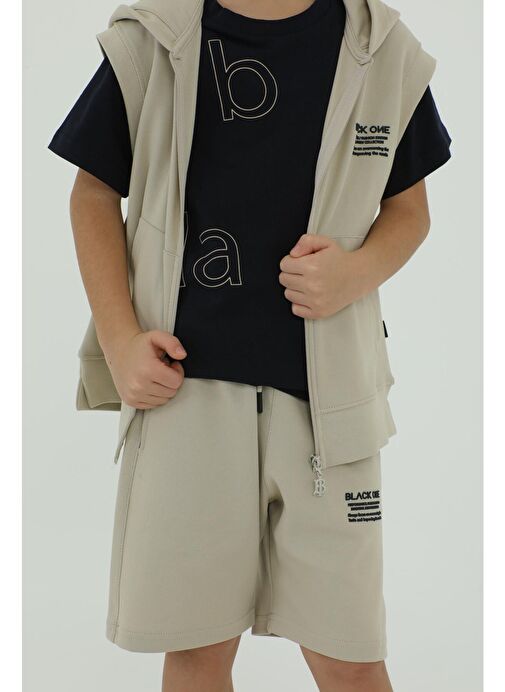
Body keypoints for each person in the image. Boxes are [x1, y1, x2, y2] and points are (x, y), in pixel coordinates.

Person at [49, 1, 452, 690]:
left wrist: (354, 272)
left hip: (331, 413)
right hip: (184, 398)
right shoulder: (157, 35)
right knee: (197, 650)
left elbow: (409, 211)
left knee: (351, 658)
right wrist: (119, 341)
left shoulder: (379, 46)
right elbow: (92, 192)